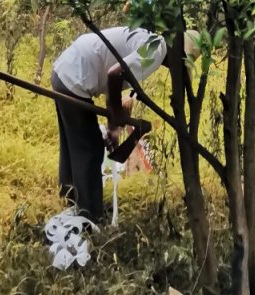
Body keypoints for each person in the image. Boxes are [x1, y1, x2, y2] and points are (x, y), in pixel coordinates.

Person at [50, 26, 198, 222]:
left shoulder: (152, 41)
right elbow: (114, 74)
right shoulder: (156, 50)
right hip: (75, 77)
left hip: (66, 70)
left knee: (74, 141)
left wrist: (114, 126)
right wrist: (116, 113)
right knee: (90, 147)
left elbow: (114, 78)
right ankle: (89, 215)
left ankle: (69, 198)